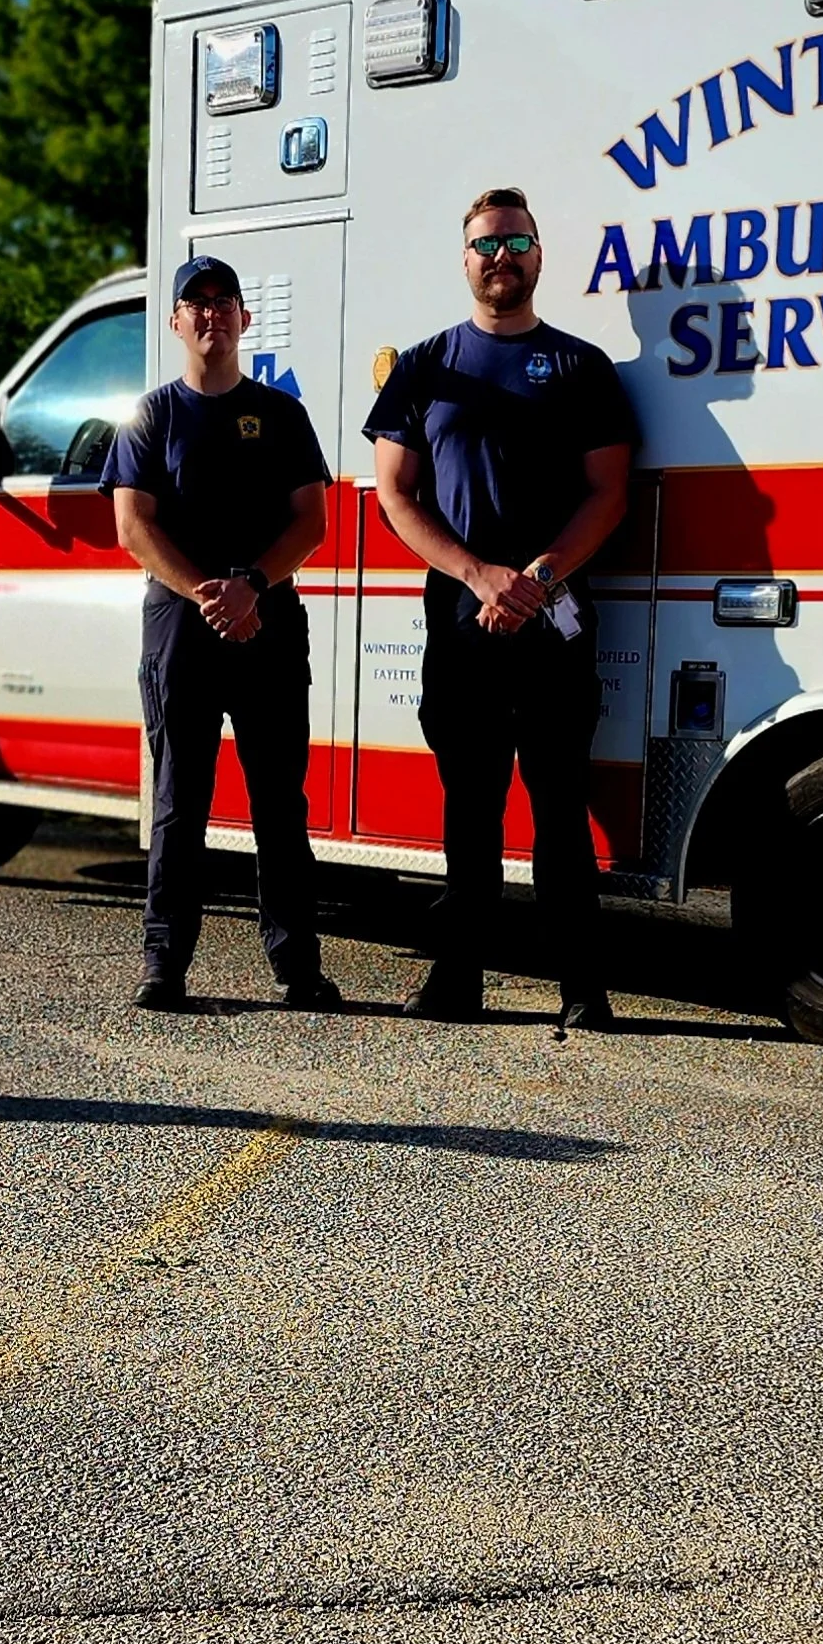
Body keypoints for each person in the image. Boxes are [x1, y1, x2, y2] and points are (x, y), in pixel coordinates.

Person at [365, 187, 636, 1029]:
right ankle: (456, 980)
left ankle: (583, 987)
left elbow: (608, 492)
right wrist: (481, 575)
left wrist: (538, 578)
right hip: (462, 625)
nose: (500, 258)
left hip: (553, 622)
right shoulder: (422, 366)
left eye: (515, 242)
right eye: (485, 245)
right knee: (469, 812)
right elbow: (396, 495)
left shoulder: (582, 367)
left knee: (558, 810)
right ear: (464, 260)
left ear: (538, 256)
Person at [103, 255, 342, 1014]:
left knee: (280, 801)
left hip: (267, 616)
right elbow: (131, 525)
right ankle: (163, 963)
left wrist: (251, 585)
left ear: (244, 319)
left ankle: (296, 967)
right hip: (182, 620)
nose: (211, 314)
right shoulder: (151, 416)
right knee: (180, 800)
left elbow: (311, 520)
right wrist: (206, 590)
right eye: (195, 303)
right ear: (175, 322)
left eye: (223, 302)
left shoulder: (281, 414)